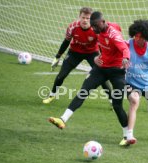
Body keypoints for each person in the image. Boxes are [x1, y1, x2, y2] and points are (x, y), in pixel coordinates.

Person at [48, 11, 130, 143]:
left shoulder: (113, 33)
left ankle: (127, 136)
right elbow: (103, 46)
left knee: (117, 105)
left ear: (103, 22)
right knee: (83, 92)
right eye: (93, 26)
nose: (94, 29)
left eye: (96, 26)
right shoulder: (98, 31)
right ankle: (62, 119)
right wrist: (98, 57)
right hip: (101, 68)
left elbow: (124, 48)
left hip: (117, 71)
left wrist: (126, 58)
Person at [42, 7, 112, 104]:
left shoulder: (96, 30)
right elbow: (66, 42)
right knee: (61, 75)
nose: (85, 20)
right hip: (74, 53)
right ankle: (52, 95)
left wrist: (104, 58)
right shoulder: (72, 27)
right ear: (79, 17)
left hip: (92, 53)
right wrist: (57, 56)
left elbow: (102, 46)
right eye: (83, 17)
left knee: (101, 76)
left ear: (91, 20)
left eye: (88, 18)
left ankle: (112, 100)